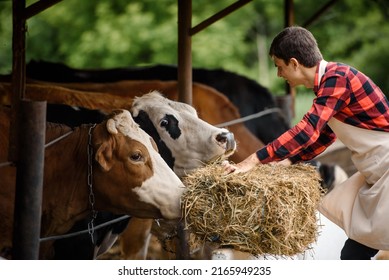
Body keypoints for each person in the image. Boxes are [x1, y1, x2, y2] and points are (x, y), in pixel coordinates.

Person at [223, 26, 389, 260]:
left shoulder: (337, 79)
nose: (280, 74)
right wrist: (289, 160)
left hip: (385, 169)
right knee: (354, 253)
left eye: (279, 67)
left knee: (355, 254)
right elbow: (323, 136)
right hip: (378, 171)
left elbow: (307, 130)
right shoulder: (329, 84)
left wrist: (252, 160)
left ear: (294, 63)